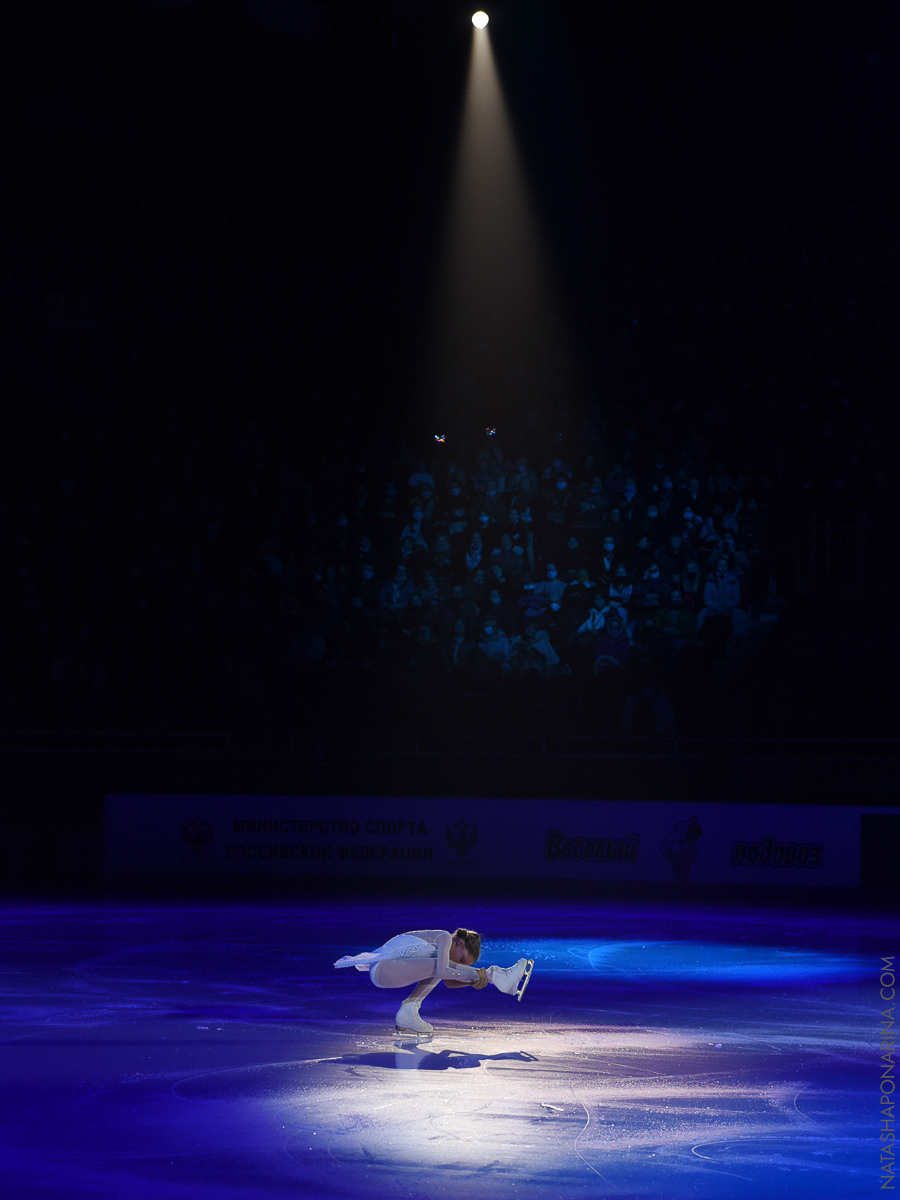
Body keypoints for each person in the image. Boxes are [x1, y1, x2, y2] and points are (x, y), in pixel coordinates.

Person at [334, 928, 534, 1035]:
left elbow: (447, 980)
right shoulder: (445, 937)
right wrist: (478, 975)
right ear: (460, 942)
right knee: (441, 966)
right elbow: (443, 971)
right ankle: (498, 976)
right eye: (462, 959)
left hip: (388, 972)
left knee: (440, 968)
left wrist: (474, 981)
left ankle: (407, 1012)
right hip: (385, 967)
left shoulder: (442, 954)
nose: (459, 963)